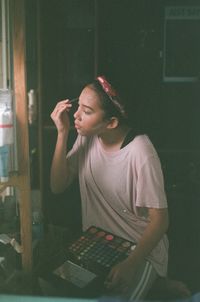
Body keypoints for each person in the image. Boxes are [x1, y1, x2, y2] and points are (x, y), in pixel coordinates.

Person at [50, 75, 169, 300]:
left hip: (139, 250)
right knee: (53, 289)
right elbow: (57, 186)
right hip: (98, 245)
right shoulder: (88, 136)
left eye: (86, 111)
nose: (75, 115)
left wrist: (132, 264)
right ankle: (156, 286)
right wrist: (62, 134)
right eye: (78, 106)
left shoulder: (141, 152)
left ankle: (155, 278)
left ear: (111, 122)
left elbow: (160, 220)